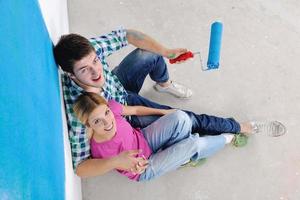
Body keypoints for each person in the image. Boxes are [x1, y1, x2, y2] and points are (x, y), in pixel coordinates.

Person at [53, 27, 286, 177]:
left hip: (120, 91)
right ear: (72, 76)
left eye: (95, 60)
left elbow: (127, 35)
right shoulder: (80, 108)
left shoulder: (91, 51)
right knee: (188, 119)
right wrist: (115, 160)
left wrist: (167, 51)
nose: (96, 71)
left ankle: (163, 84)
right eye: (85, 70)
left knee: (149, 54)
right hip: (123, 115)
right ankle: (241, 127)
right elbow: (81, 166)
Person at [73, 92, 244, 181]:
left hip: (144, 139)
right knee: (194, 145)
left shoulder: (111, 107)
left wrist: (164, 112)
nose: (108, 122)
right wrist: (120, 162)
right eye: (97, 122)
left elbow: (136, 110)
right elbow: (82, 171)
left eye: (107, 113)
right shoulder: (98, 149)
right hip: (144, 169)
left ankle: (179, 157)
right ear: (88, 125)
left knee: (180, 117)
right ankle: (228, 139)